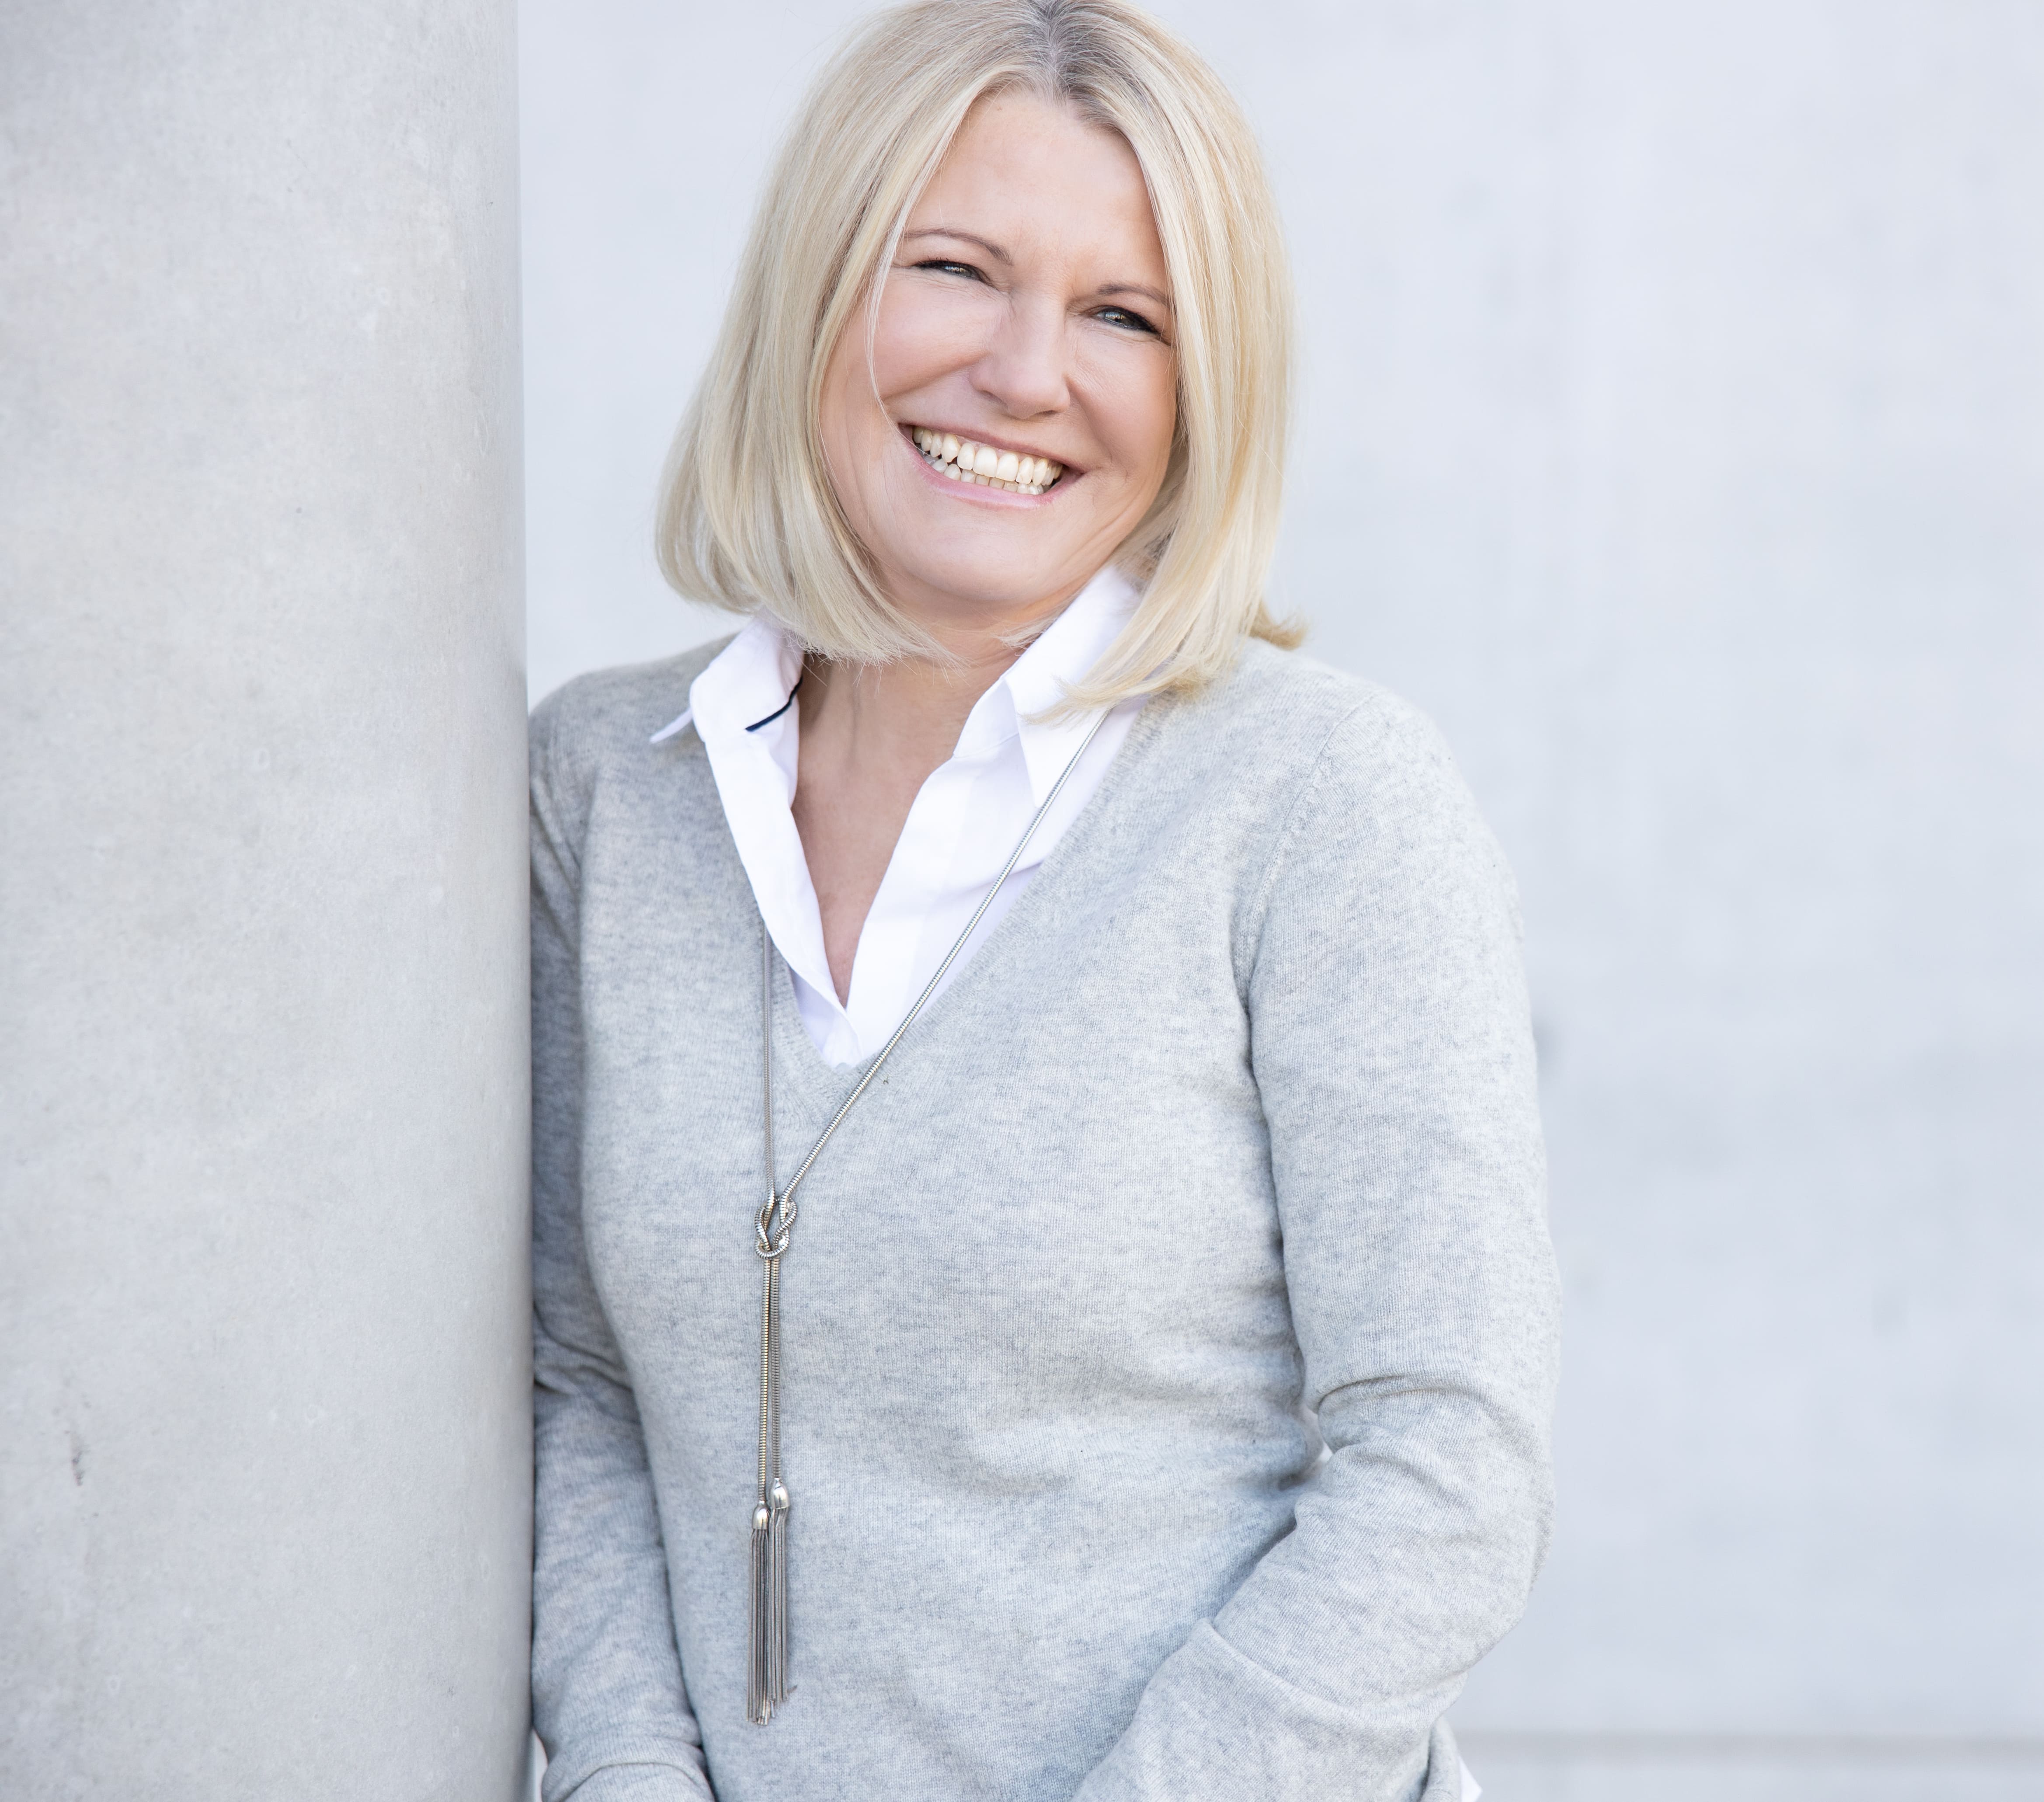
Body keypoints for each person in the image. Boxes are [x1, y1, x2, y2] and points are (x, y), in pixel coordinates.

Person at [526, 3, 1557, 1798]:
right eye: (955, 269)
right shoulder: (604, 792)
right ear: (818, 286)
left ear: (1199, 390)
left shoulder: (1324, 804)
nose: (1023, 373)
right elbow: (578, 1383)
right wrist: (628, 1774)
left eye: (1123, 316)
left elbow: (1447, 1466)